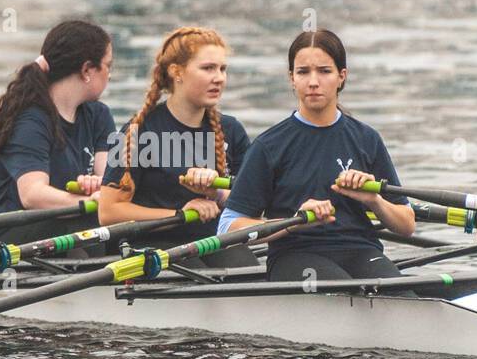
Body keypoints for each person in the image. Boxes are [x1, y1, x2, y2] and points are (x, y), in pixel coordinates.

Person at [218, 29, 415, 282]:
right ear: (292, 78)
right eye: (303, 72)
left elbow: (407, 225)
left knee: (398, 296)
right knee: (347, 294)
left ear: (341, 77)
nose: (313, 82)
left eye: (324, 71)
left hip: (361, 250)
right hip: (295, 254)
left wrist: (374, 200)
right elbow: (228, 226)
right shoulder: (269, 146)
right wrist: (293, 222)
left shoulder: (367, 139)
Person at [98, 26, 253, 265]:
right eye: (208, 68)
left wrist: (217, 194)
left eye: (223, 69)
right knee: (194, 273)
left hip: (210, 240)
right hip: (151, 243)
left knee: (244, 269)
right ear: (176, 72)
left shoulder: (231, 131)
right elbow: (108, 212)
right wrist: (180, 215)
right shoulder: (138, 131)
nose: (219, 78)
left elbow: (251, 204)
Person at [0, 20, 115, 244]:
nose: (110, 75)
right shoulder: (29, 121)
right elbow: (32, 195)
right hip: (16, 233)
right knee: (88, 226)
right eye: (108, 66)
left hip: (71, 224)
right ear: (86, 70)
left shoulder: (99, 115)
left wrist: (100, 187)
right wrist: (88, 202)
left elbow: (110, 180)